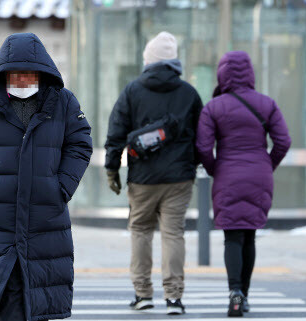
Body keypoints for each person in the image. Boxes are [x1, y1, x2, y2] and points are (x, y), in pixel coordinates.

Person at [0, 33, 93, 321]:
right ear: (3, 74)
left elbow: (80, 143)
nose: (21, 80)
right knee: (6, 297)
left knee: (42, 299)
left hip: (46, 217)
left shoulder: (63, 103)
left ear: (42, 73)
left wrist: (62, 187)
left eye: (28, 74)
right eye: (14, 74)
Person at [104, 31, 203, 315]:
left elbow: (116, 132)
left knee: (140, 231)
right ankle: (174, 297)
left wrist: (112, 168)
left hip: (143, 178)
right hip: (179, 179)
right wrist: (192, 162)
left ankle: (143, 293)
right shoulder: (189, 93)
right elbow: (203, 136)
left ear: (148, 60)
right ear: (174, 62)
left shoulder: (133, 91)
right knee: (173, 233)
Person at [196, 51, 291, 317]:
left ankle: (234, 292)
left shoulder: (213, 108)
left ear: (222, 73)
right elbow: (283, 141)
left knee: (232, 236)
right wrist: (267, 165)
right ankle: (244, 296)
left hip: (227, 174)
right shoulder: (267, 104)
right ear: (250, 73)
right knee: (249, 234)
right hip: (260, 174)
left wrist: (216, 169)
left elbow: (203, 147)